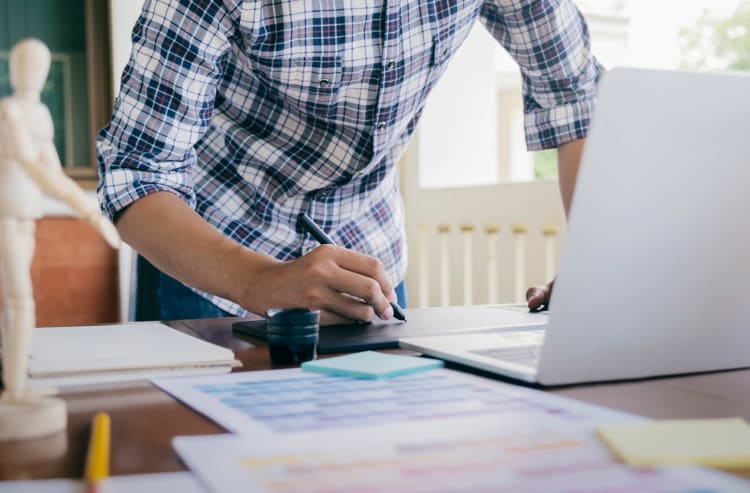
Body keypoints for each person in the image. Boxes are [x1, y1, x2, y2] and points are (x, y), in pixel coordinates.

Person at [97, 0, 602, 324]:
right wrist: (265, 281)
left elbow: (576, 98)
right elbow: (137, 172)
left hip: (370, 255)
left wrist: (591, 267)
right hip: (216, 260)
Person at [0, 39, 120, 401]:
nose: (32, 72)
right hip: (6, 209)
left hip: (26, 212)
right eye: (26, 63)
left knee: (18, 301)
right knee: (19, 299)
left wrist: (94, 214)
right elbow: (32, 166)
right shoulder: (10, 111)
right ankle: (16, 388)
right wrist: (87, 212)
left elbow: (52, 170)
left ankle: (15, 385)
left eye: (39, 64)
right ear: (14, 69)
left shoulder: (40, 114)